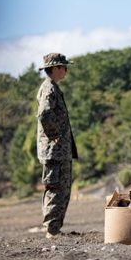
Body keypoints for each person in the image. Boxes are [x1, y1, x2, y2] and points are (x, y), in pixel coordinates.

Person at [36, 52, 78, 238]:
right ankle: (52, 230)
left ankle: (55, 229)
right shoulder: (49, 89)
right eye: (63, 67)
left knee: (61, 189)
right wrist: (55, 136)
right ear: (55, 68)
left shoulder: (52, 87)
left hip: (59, 152)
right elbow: (44, 114)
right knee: (55, 189)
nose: (66, 70)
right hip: (54, 152)